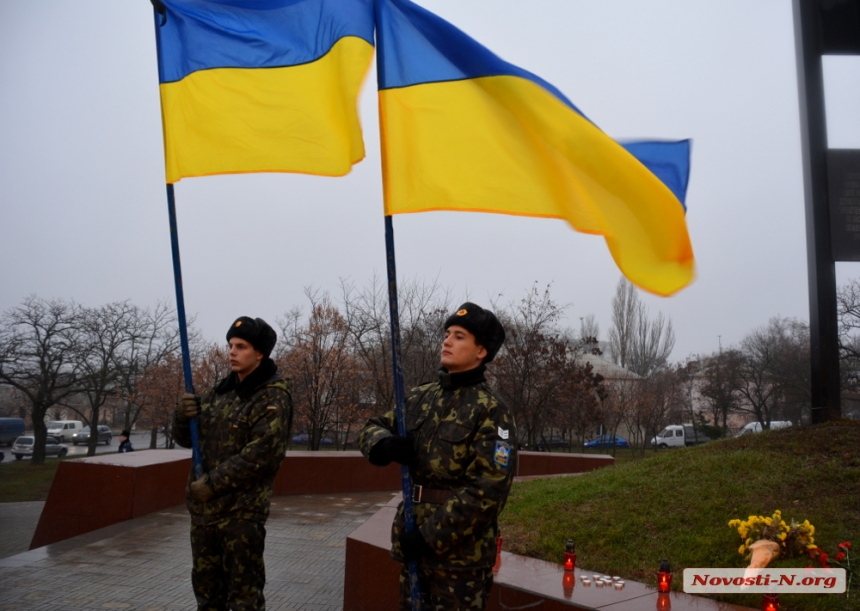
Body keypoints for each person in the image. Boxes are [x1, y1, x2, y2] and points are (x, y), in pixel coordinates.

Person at [359, 302, 517, 611]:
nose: (446, 341)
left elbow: (487, 491)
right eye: (447, 333)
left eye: (459, 336)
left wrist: (427, 537)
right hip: (412, 546)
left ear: (481, 350)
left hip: (460, 561)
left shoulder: (491, 410)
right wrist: (384, 445)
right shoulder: (421, 397)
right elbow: (372, 427)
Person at [173, 316, 292, 611]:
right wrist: (181, 417)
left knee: (243, 598)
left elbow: (261, 456)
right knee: (207, 597)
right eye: (230, 345)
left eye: (241, 346)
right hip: (204, 514)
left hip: (240, 516)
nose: (232, 352)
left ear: (260, 353)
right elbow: (189, 441)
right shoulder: (218, 393)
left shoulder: (272, 395)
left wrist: (212, 485)